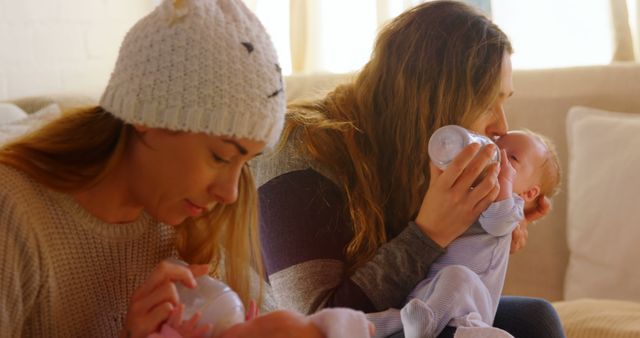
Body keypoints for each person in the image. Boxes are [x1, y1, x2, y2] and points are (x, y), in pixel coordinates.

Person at [0, 0, 371, 337]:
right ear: (146, 114)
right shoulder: (14, 212)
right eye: (221, 157)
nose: (230, 192)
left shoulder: (199, 222)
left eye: (245, 164)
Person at [255, 1, 565, 338]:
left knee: (535, 319)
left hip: (387, 317)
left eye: (504, 101)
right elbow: (315, 324)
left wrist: (487, 230)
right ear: (434, 100)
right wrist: (430, 232)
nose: (501, 126)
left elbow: (424, 289)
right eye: (487, 103)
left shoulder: (411, 155)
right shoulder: (301, 152)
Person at [383, 130, 561, 338]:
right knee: (401, 315)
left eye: (512, 158)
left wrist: (505, 186)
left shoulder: (509, 208)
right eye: (496, 144)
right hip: (430, 291)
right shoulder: (470, 191)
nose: (496, 153)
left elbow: (498, 221)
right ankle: (373, 325)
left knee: (459, 277)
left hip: (469, 307)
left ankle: (421, 328)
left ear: (528, 193)